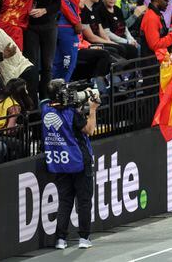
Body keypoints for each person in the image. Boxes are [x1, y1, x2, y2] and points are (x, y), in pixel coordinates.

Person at [40, 79, 99, 250]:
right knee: (84, 200)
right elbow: (89, 130)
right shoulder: (71, 113)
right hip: (79, 160)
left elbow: (50, 102)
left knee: (65, 201)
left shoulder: (45, 109)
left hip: (60, 161)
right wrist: (93, 110)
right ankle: (84, 237)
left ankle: (60, 239)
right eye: (66, 90)